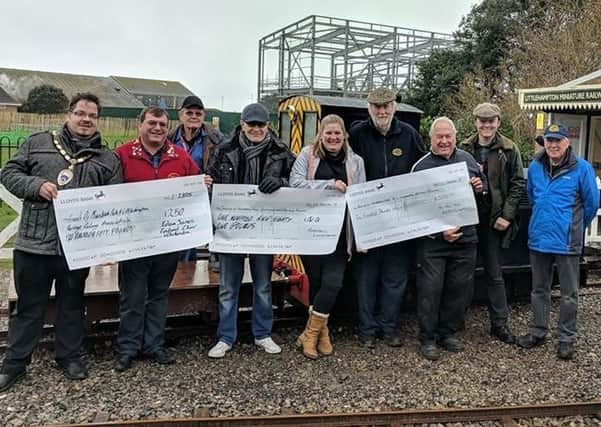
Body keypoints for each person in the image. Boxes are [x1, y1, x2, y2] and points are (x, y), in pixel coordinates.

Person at [0, 93, 123, 391]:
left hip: (76, 249)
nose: (86, 119)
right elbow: (8, 172)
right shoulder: (38, 143)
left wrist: (107, 245)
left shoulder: (107, 159)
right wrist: (35, 185)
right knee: (29, 306)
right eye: (80, 113)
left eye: (92, 116)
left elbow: (115, 201)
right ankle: (15, 363)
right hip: (34, 243)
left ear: (98, 120)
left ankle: (68, 356)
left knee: (72, 304)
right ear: (69, 115)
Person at [113, 107, 201, 371]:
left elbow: (195, 190)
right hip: (134, 241)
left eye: (162, 124)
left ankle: (153, 344)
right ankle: (128, 347)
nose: (158, 128)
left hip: (167, 241)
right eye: (152, 123)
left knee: (159, 295)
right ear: (140, 125)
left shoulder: (180, 157)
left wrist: (203, 184)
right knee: (132, 296)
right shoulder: (122, 155)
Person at [206, 102, 295, 358]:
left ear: (268, 125)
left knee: (263, 285)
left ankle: (263, 333)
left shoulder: (281, 151)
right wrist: (208, 185)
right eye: (251, 124)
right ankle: (225, 336)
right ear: (242, 124)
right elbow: (211, 182)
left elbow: (297, 182)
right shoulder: (223, 150)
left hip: (264, 229)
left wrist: (280, 181)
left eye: (261, 124)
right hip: (231, 229)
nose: (256, 128)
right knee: (228, 286)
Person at [348, 87, 426, 348]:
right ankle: (367, 330)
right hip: (366, 221)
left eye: (386, 106)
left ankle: (389, 327)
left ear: (394, 107)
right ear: (369, 108)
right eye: (376, 107)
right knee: (366, 279)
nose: (382, 111)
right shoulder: (357, 134)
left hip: (399, 222)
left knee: (395, 278)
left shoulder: (409, 135)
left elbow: (423, 170)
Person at [517, 123, 599, 360]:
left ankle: (566, 338)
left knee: (569, 293)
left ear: (567, 143)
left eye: (558, 140)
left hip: (566, 241)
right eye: (549, 140)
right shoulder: (535, 167)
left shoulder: (582, 168)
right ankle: (538, 331)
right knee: (538, 289)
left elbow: (591, 204)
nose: (553, 145)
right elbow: (533, 196)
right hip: (539, 238)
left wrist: (574, 227)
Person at [290, 114, 366, 359]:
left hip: (340, 234)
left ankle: (309, 334)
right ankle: (322, 334)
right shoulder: (307, 155)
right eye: (328, 133)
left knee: (333, 282)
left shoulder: (356, 162)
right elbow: (295, 184)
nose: (333, 137)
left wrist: (362, 235)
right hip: (311, 231)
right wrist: (329, 184)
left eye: (337, 133)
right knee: (316, 282)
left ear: (344, 135)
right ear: (321, 135)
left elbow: (360, 196)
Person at [411, 117, 483, 360]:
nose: (444, 141)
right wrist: (439, 231)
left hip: (466, 238)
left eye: (448, 136)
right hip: (433, 243)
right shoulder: (420, 167)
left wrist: (479, 189)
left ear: (455, 136)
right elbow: (414, 209)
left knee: (459, 289)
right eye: (439, 137)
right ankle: (428, 337)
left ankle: (447, 332)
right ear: (430, 139)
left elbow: (482, 198)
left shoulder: (468, 160)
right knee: (430, 290)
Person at [460, 102, 525, 344]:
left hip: (493, 219)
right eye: (482, 121)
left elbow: (518, 184)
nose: (486, 126)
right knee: (462, 273)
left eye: (491, 121)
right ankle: (456, 322)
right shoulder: (464, 148)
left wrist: (507, 215)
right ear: (475, 122)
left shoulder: (509, 148)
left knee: (494, 273)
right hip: (468, 218)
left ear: (498, 123)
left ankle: (500, 324)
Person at [168, 95, 224, 265]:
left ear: (203, 116)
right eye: (189, 112)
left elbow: (225, 165)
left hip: (207, 194)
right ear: (181, 115)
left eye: (198, 113)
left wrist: (213, 178)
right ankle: (183, 269)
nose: (194, 116)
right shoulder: (169, 139)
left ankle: (215, 263)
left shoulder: (216, 139)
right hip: (178, 196)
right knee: (182, 237)